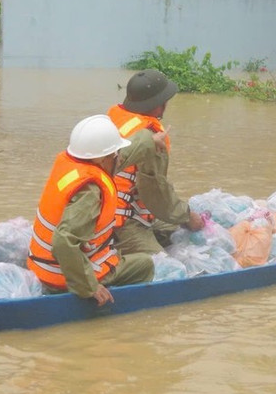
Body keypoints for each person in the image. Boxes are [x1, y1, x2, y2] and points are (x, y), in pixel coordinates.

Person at [27, 114, 155, 305]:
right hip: (60, 277)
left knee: (113, 248)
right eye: (116, 155)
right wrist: (89, 286)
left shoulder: (72, 164)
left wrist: (150, 140)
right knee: (145, 264)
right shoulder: (91, 193)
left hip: (39, 265)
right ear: (103, 159)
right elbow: (63, 241)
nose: (120, 159)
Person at [106, 69, 203, 255]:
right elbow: (156, 191)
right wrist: (187, 216)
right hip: (119, 221)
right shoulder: (152, 135)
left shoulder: (115, 116)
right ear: (160, 104)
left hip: (104, 210)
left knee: (172, 228)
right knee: (159, 264)